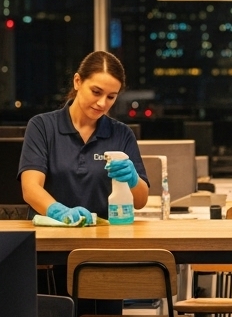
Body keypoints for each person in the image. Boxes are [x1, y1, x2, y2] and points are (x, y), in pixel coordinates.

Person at [19, 50, 149, 224]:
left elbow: (140, 202)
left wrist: (133, 179)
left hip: (102, 239)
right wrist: (60, 213)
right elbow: (30, 188)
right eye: (96, 92)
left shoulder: (121, 134)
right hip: (49, 238)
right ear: (77, 81)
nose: (103, 103)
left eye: (111, 97)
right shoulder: (42, 126)